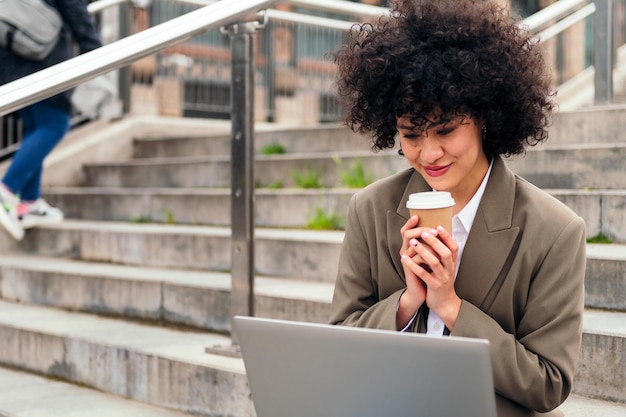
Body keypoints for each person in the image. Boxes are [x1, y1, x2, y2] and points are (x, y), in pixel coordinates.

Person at [328, 1, 586, 416]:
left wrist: (450, 306)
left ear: (484, 117)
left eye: (446, 129)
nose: (429, 153)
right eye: (411, 134)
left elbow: (548, 383)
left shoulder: (554, 231)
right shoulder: (370, 209)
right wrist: (407, 302)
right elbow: (338, 341)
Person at [0, 0, 102, 240]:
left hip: (13, 59)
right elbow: (74, 8)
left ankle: (29, 202)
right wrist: (96, 50)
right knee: (55, 124)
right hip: (41, 61)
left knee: (36, 128)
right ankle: (6, 188)